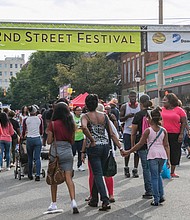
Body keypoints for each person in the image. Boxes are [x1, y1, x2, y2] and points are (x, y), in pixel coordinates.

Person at [81, 94, 123, 211]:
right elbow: (112, 134)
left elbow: (84, 128)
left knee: (97, 174)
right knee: (98, 172)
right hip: (105, 146)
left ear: (86, 105)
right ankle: (94, 199)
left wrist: (92, 139)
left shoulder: (85, 116)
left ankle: (104, 200)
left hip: (94, 147)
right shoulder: (104, 116)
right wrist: (120, 147)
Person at [122, 107, 171, 206]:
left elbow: (140, 144)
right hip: (162, 155)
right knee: (158, 175)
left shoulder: (148, 131)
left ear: (151, 119)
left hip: (152, 154)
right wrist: (168, 160)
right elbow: (166, 145)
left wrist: (129, 151)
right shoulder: (164, 130)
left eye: (148, 118)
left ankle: (156, 199)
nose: (146, 120)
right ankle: (161, 196)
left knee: (154, 177)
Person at [46, 102, 79, 214]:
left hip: (56, 152)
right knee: (69, 178)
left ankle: (54, 203)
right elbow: (73, 140)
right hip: (68, 150)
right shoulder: (71, 123)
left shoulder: (53, 124)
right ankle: (73, 201)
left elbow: (49, 141)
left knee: (53, 177)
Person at [131, 94, 153, 199]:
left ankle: (149, 190)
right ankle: (157, 189)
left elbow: (133, 132)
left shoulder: (139, 115)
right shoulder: (154, 113)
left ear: (140, 103)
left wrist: (133, 145)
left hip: (142, 143)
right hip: (154, 143)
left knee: (146, 167)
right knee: (155, 168)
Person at [161, 93, 186, 178]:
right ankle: (163, 170)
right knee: (163, 152)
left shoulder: (179, 110)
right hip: (163, 134)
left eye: (165, 100)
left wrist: (181, 133)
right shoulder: (161, 109)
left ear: (171, 101)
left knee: (174, 152)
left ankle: (172, 171)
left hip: (175, 134)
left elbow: (184, 122)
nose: (163, 101)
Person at [120, 90, 140, 178]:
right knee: (127, 150)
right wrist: (127, 116)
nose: (133, 98)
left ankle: (135, 169)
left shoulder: (139, 106)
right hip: (127, 131)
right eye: (131, 97)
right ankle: (126, 167)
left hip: (137, 132)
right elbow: (120, 119)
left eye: (134, 97)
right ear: (128, 97)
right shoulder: (124, 107)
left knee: (137, 151)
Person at [22, 105, 43, 181]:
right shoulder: (39, 119)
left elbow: (24, 131)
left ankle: (30, 174)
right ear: (35, 111)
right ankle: (38, 174)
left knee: (30, 157)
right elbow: (41, 131)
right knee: (37, 158)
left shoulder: (26, 120)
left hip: (29, 139)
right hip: (37, 138)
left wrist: (23, 135)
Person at [72, 106, 85, 171]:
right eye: (78, 110)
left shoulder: (82, 117)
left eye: (80, 110)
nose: (80, 111)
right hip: (74, 138)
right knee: (73, 152)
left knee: (80, 152)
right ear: (75, 111)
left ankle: (80, 165)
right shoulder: (72, 118)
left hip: (81, 137)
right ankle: (71, 166)